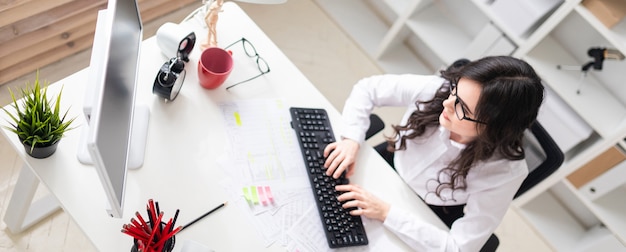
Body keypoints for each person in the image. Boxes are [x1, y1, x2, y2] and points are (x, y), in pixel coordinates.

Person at [323, 56, 544, 251]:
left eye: (462, 108)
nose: (447, 104)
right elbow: (368, 89)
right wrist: (351, 139)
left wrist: (387, 213)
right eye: (455, 91)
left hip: (433, 209)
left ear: (494, 127)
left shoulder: (507, 171)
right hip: (391, 161)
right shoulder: (438, 90)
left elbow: (460, 247)